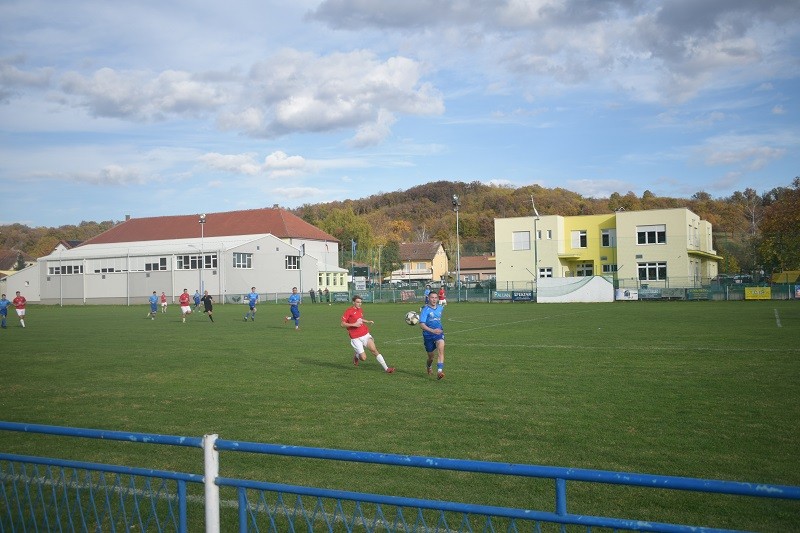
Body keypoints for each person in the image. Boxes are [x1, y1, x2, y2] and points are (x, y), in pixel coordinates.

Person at [341, 295, 395, 373]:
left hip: (365, 334)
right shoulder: (348, 311)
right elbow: (342, 324)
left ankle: (386, 368)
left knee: (374, 350)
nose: (359, 304)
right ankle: (357, 356)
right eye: (358, 302)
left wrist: (368, 321)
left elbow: (360, 319)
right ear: (353, 302)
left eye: (360, 302)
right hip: (355, 338)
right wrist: (354, 324)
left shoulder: (360, 310)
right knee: (363, 358)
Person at [420, 291, 446, 379]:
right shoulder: (425, 310)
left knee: (441, 348)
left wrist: (436, 331)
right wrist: (432, 330)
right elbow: (421, 325)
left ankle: (439, 371)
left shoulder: (440, 308)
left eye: (435, 298)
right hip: (428, 335)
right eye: (432, 297)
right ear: (428, 298)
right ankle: (429, 366)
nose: (434, 299)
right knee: (431, 357)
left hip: (438, 333)